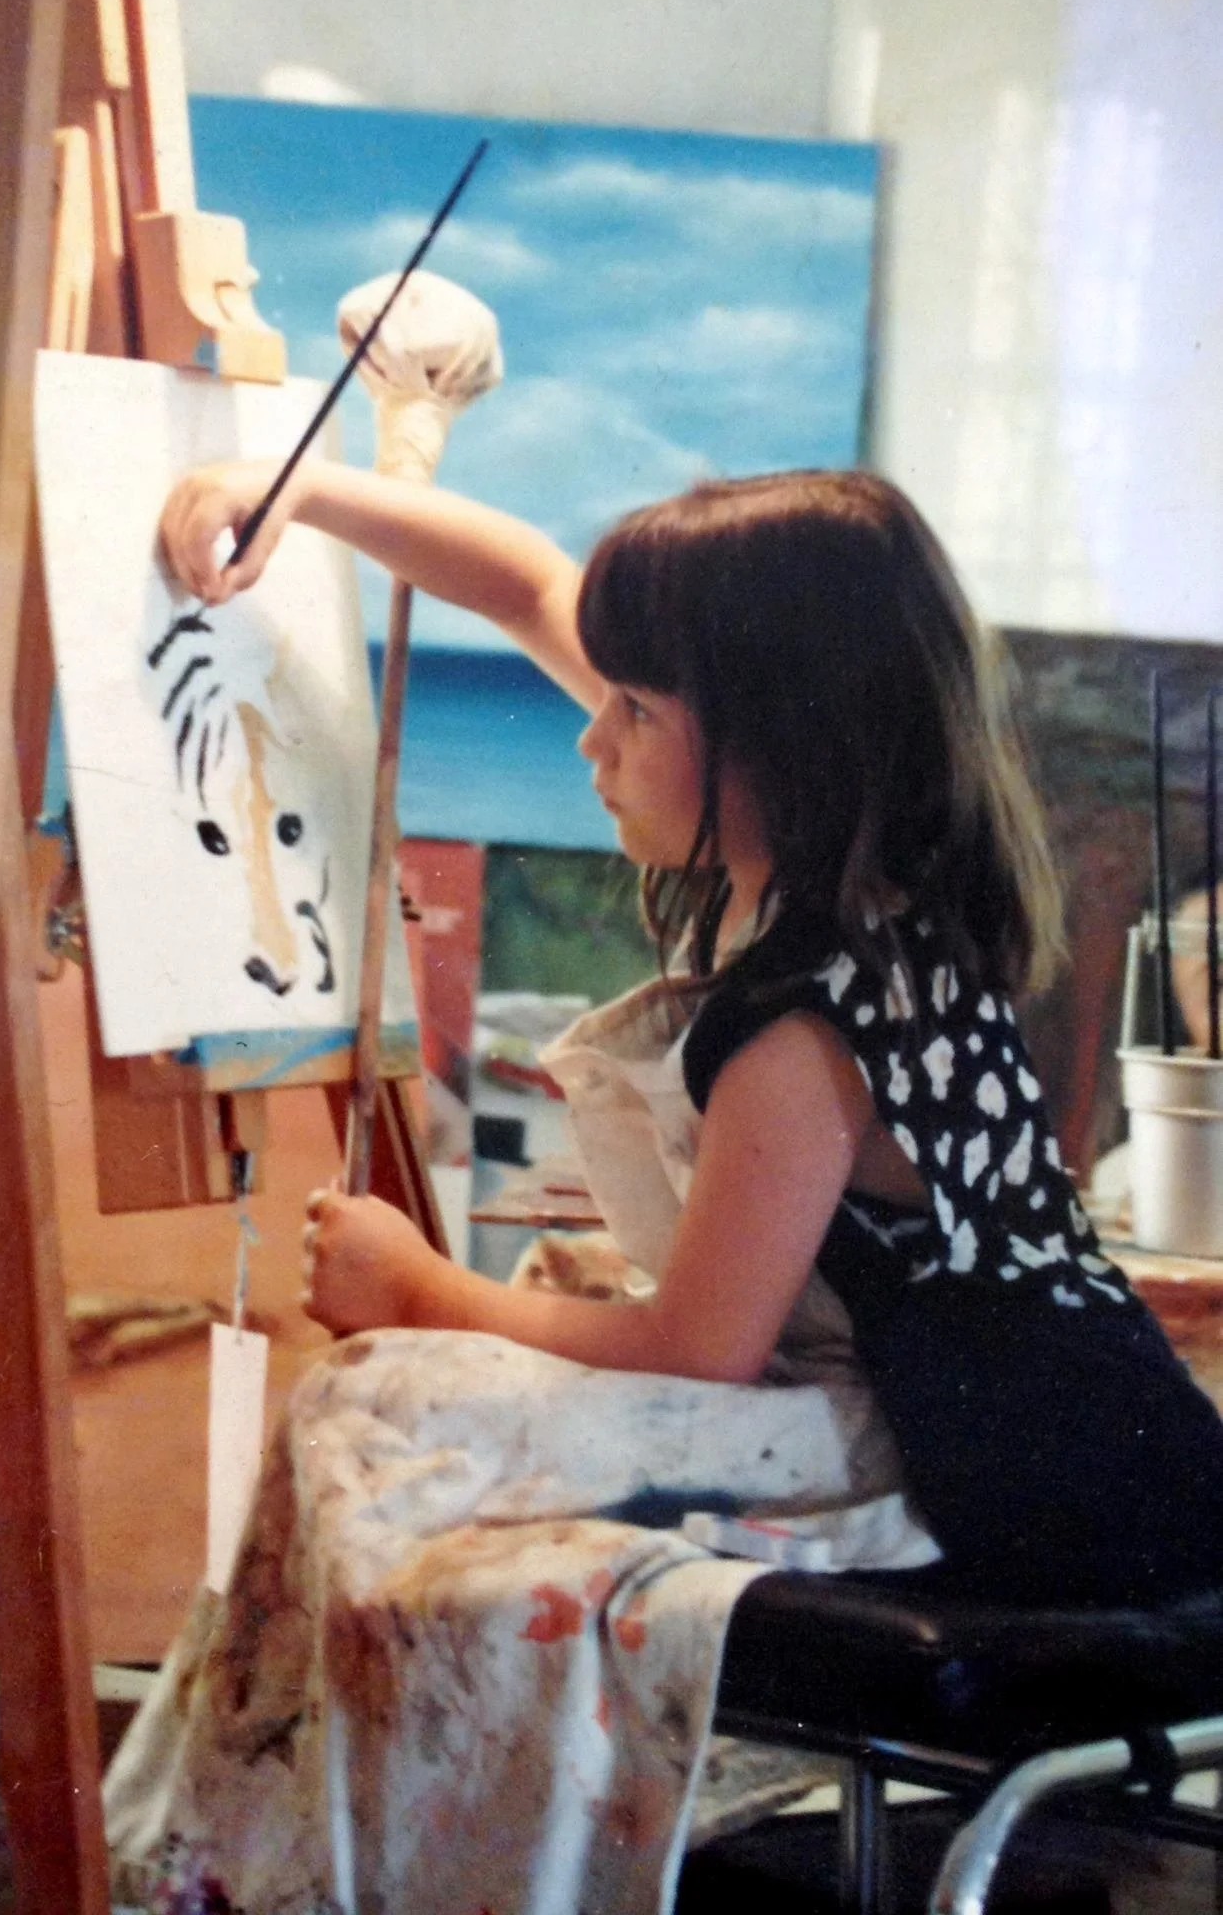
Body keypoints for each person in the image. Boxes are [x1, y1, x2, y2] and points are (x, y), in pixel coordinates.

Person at [160, 457, 1223, 1612]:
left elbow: (692, 1348)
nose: (588, 741)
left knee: (382, 1431)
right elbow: (524, 585)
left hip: (1033, 1505)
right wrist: (306, 491)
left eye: (634, 710)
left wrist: (416, 1285)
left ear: (780, 742)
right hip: (1109, 1447)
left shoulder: (804, 1024)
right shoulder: (881, 898)